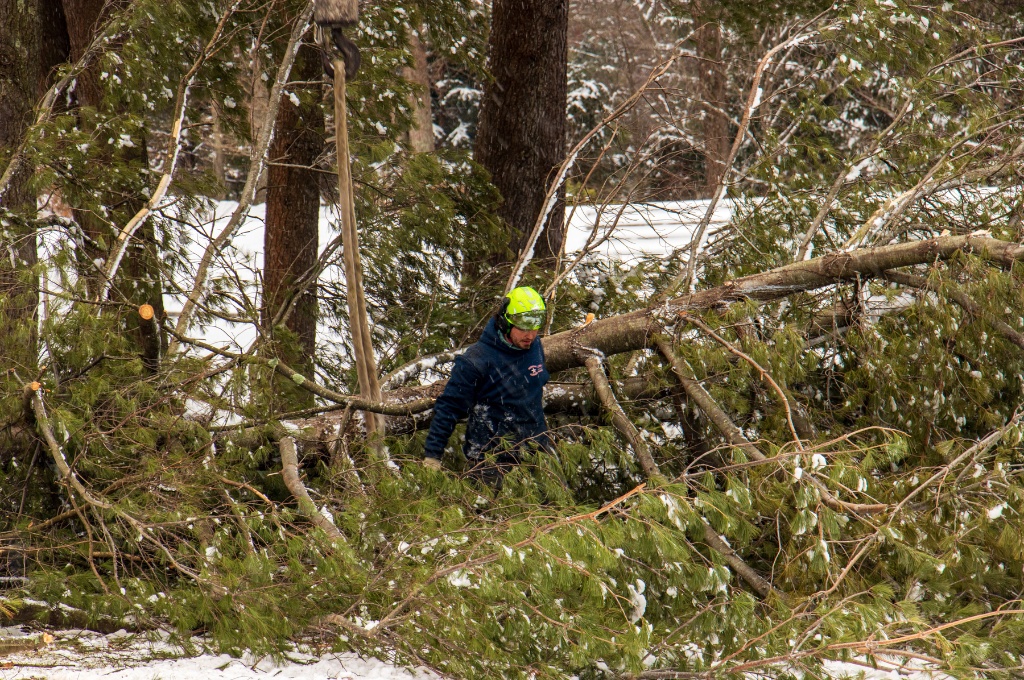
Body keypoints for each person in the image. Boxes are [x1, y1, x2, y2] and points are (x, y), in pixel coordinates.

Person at [421, 286, 550, 487]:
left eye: (535, 327)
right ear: (505, 322)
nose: (530, 334)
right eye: (523, 327)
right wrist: (432, 456)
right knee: (492, 517)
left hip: (535, 449)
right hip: (490, 459)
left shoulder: (534, 346)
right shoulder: (476, 360)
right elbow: (449, 409)